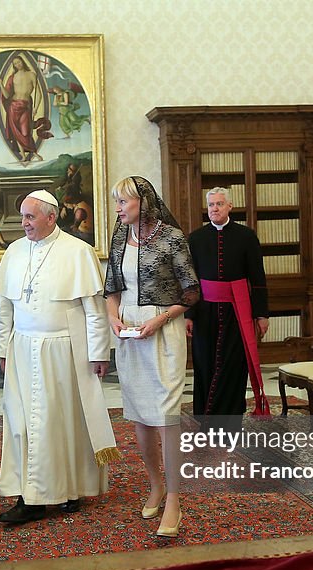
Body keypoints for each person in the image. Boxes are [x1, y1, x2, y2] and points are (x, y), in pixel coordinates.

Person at [0, 189, 119, 525]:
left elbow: (94, 310)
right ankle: (30, 495)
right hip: (22, 349)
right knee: (21, 421)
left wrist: (98, 352)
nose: (24, 224)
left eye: (30, 217)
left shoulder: (78, 251)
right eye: (22, 217)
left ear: (52, 216)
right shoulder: (15, 251)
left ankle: (69, 489)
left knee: (62, 423)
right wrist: (2, 349)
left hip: (64, 350)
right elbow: (5, 308)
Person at [104, 176, 200, 538]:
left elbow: (191, 292)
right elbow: (111, 288)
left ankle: (174, 499)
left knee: (166, 414)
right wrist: (113, 316)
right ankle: (156, 484)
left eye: (123, 202)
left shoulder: (171, 238)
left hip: (164, 328)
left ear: (143, 202)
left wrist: (161, 319)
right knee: (141, 414)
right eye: (116, 201)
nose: (118, 208)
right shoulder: (118, 238)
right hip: (128, 330)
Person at [186, 187, 269, 418]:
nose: (215, 209)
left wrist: (261, 314)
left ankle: (231, 417)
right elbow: (190, 281)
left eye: (219, 204)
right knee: (204, 362)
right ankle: (205, 416)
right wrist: (189, 315)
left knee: (234, 364)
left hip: (237, 311)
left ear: (230, 206)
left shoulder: (246, 236)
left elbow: (258, 278)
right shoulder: (196, 238)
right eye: (211, 205)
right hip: (204, 311)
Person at [0, 55, 52, 162]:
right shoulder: (12, 77)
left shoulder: (32, 74)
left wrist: (36, 108)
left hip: (25, 106)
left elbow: (39, 94)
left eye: (19, 62)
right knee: (16, 132)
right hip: (13, 106)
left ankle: (35, 154)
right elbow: (7, 95)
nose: (18, 65)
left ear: (23, 62)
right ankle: (23, 156)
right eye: (15, 64)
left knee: (25, 132)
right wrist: (0, 84)